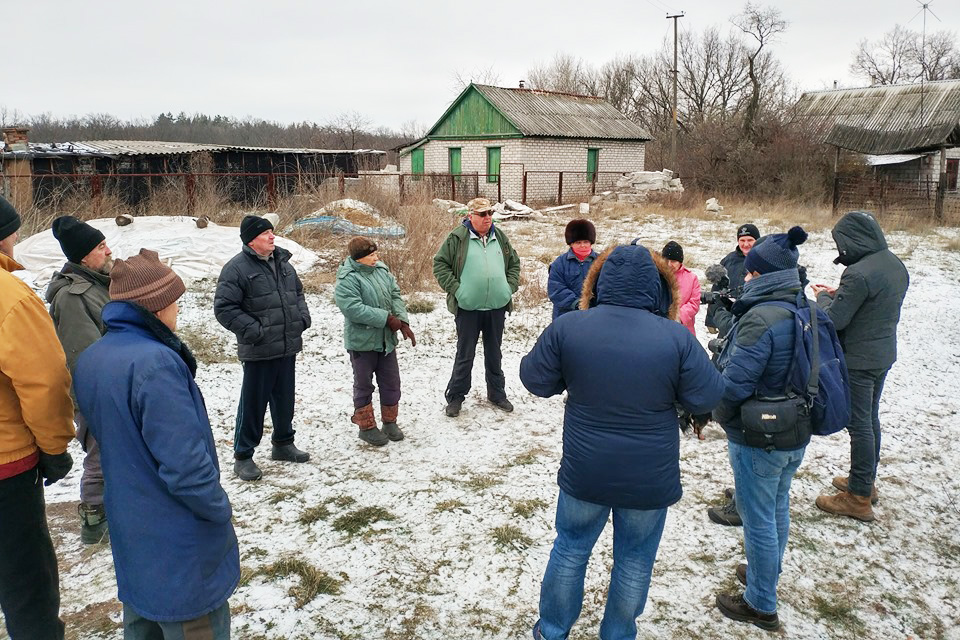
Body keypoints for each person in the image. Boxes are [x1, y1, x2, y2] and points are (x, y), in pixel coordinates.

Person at [520, 243, 724, 640]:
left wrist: (571, 371)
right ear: (658, 289)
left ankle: (552, 629)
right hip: (649, 476)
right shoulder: (676, 338)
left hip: (586, 470)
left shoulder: (570, 326)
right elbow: (708, 395)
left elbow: (535, 379)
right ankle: (617, 634)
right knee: (634, 559)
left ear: (598, 284)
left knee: (571, 548)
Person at [74, 249, 239, 640]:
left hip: (133, 532)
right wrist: (218, 510)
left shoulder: (94, 358)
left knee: (144, 622)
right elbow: (185, 467)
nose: (178, 309)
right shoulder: (155, 364)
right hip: (179, 542)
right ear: (157, 306)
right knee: (193, 625)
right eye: (174, 300)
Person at [711, 226, 810, 632]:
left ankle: (760, 602)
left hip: (759, 434)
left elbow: (734, 384)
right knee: (777, 507)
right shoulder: (802, 305)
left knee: (757, 518)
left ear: (764, 275)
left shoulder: (760, 319)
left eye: (751, 273)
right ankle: (764, 573)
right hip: (793, 428)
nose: (746, 277)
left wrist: (713, 409)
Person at [0, 195, 76, 640]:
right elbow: (44, 380)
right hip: (7, 468)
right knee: (26, 586)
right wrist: (53, 447)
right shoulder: (9, 297)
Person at [813, 211, 909, 522]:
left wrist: (824, 300)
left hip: (859, 360)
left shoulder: (857, 274)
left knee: (860, 425)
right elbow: (869, 305)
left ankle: (857, 498)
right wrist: (838, 295)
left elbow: (836, 320)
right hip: (882, 355)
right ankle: (864, 481)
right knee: (870, 418)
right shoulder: (893, 263)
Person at [215, 215, 312, 481]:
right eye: (266, 233)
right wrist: (255, 331)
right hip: (258, 349)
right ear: (251, 240)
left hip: (287, 344)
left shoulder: (283, 264)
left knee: (285, 398)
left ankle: (283, 443)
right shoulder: (236, 269)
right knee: (253, 403)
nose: (272, 236)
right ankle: (243, 456)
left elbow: (298, 293)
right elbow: (224, 308)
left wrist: (302, 318)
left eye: (272, 232)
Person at [45, 216, 113, 544]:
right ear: (84, 256)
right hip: (94, 391)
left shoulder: (101, 283)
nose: (109, 250)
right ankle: (94, 519)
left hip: (112, 384)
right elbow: (85, 358)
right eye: (101, 247)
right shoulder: (73, 297)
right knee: (101, 452)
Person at [433, 197, 520, 417]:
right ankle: (455, 397)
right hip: (468, 308)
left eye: (490, 213)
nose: (487, 218)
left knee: (494, 353)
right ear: (470, 215)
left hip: (496, 307)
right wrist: (457, 290)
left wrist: (508, 288)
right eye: (482, 214)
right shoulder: (457, 238)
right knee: (465, 354)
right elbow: (440, 264)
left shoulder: (499, 237)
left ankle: (497, 394)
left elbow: (514, 264)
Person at [334, 237, 416, 446]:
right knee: (364, 385)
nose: (376, 257)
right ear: (359, 258)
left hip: (386, 341)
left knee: (391, 382)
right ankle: (367, 426)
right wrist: (386, 319)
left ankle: (390, 422)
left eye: (375, 253)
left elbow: (395, 295)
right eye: (371, 255)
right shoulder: (348, 278)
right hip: (362, 342)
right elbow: (352, 308)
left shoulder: (381, 270)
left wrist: (402, 320)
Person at [705, 223, 759, 334]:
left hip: (754, 322)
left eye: (750, 240)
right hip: (728, 320)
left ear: (757, 240)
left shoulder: (765, 261)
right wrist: (711, 320)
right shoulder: (729, 260)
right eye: (742, 240)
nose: (746, 244)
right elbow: (716, 290)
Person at [547, 219, 597, 320]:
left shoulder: (602, 262)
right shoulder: (559, 264)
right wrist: (576, 303)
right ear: (570, 243)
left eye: (586, 241)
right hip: (566, 315)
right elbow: (556, 289)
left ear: (591, 242)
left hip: (595, 314)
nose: (582, 245)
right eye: (578, 242)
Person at [661, 240, 700, 335]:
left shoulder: (692, 278)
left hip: (684, 328)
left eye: (673, 261)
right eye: (666, 260)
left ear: (680, 261)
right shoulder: (657, 276)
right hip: (661, 326)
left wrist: (677, 316)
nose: (669, 264)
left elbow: (694, 303)